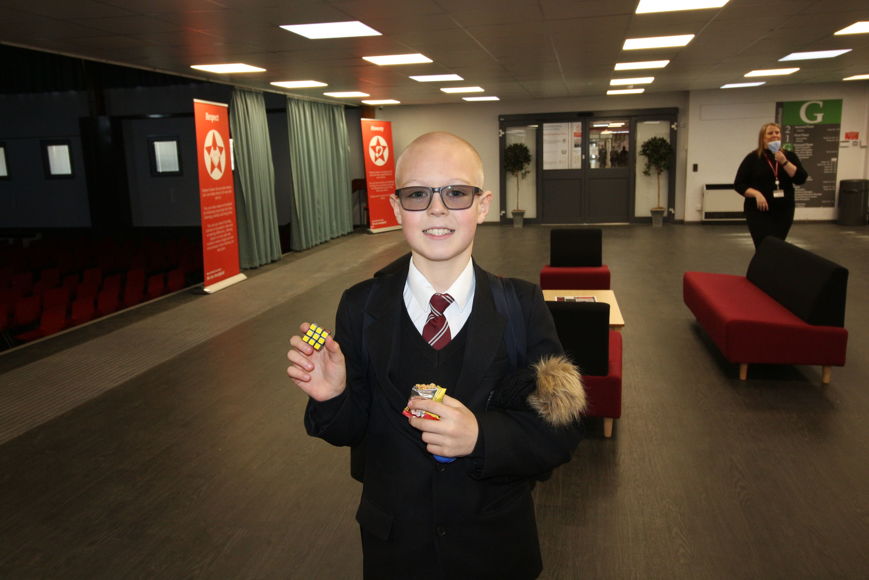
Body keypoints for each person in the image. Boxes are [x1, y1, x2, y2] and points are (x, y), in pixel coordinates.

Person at [286, 132, 586, 580]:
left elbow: (560, 432)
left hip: (495, 549)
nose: (437, 209)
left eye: (456, 193)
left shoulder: (521, 306)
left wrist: (481, 437)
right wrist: (334, 397)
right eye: (417, 194)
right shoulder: (361, 305)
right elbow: (352, 429)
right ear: (396, 208)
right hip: (396, 549)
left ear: (482, 205)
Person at [734, 122, 808, 249]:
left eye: (777, 132)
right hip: (759, 211)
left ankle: (774, 263)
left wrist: (784, 162)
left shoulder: (789, 156)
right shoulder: (752, 158)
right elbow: (739, 184)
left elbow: (800, 179)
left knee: (777, 246)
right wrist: (756, 194)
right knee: (763, 246)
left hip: (784, 211)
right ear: (763, 138)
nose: (774, 135)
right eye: (770, 133)